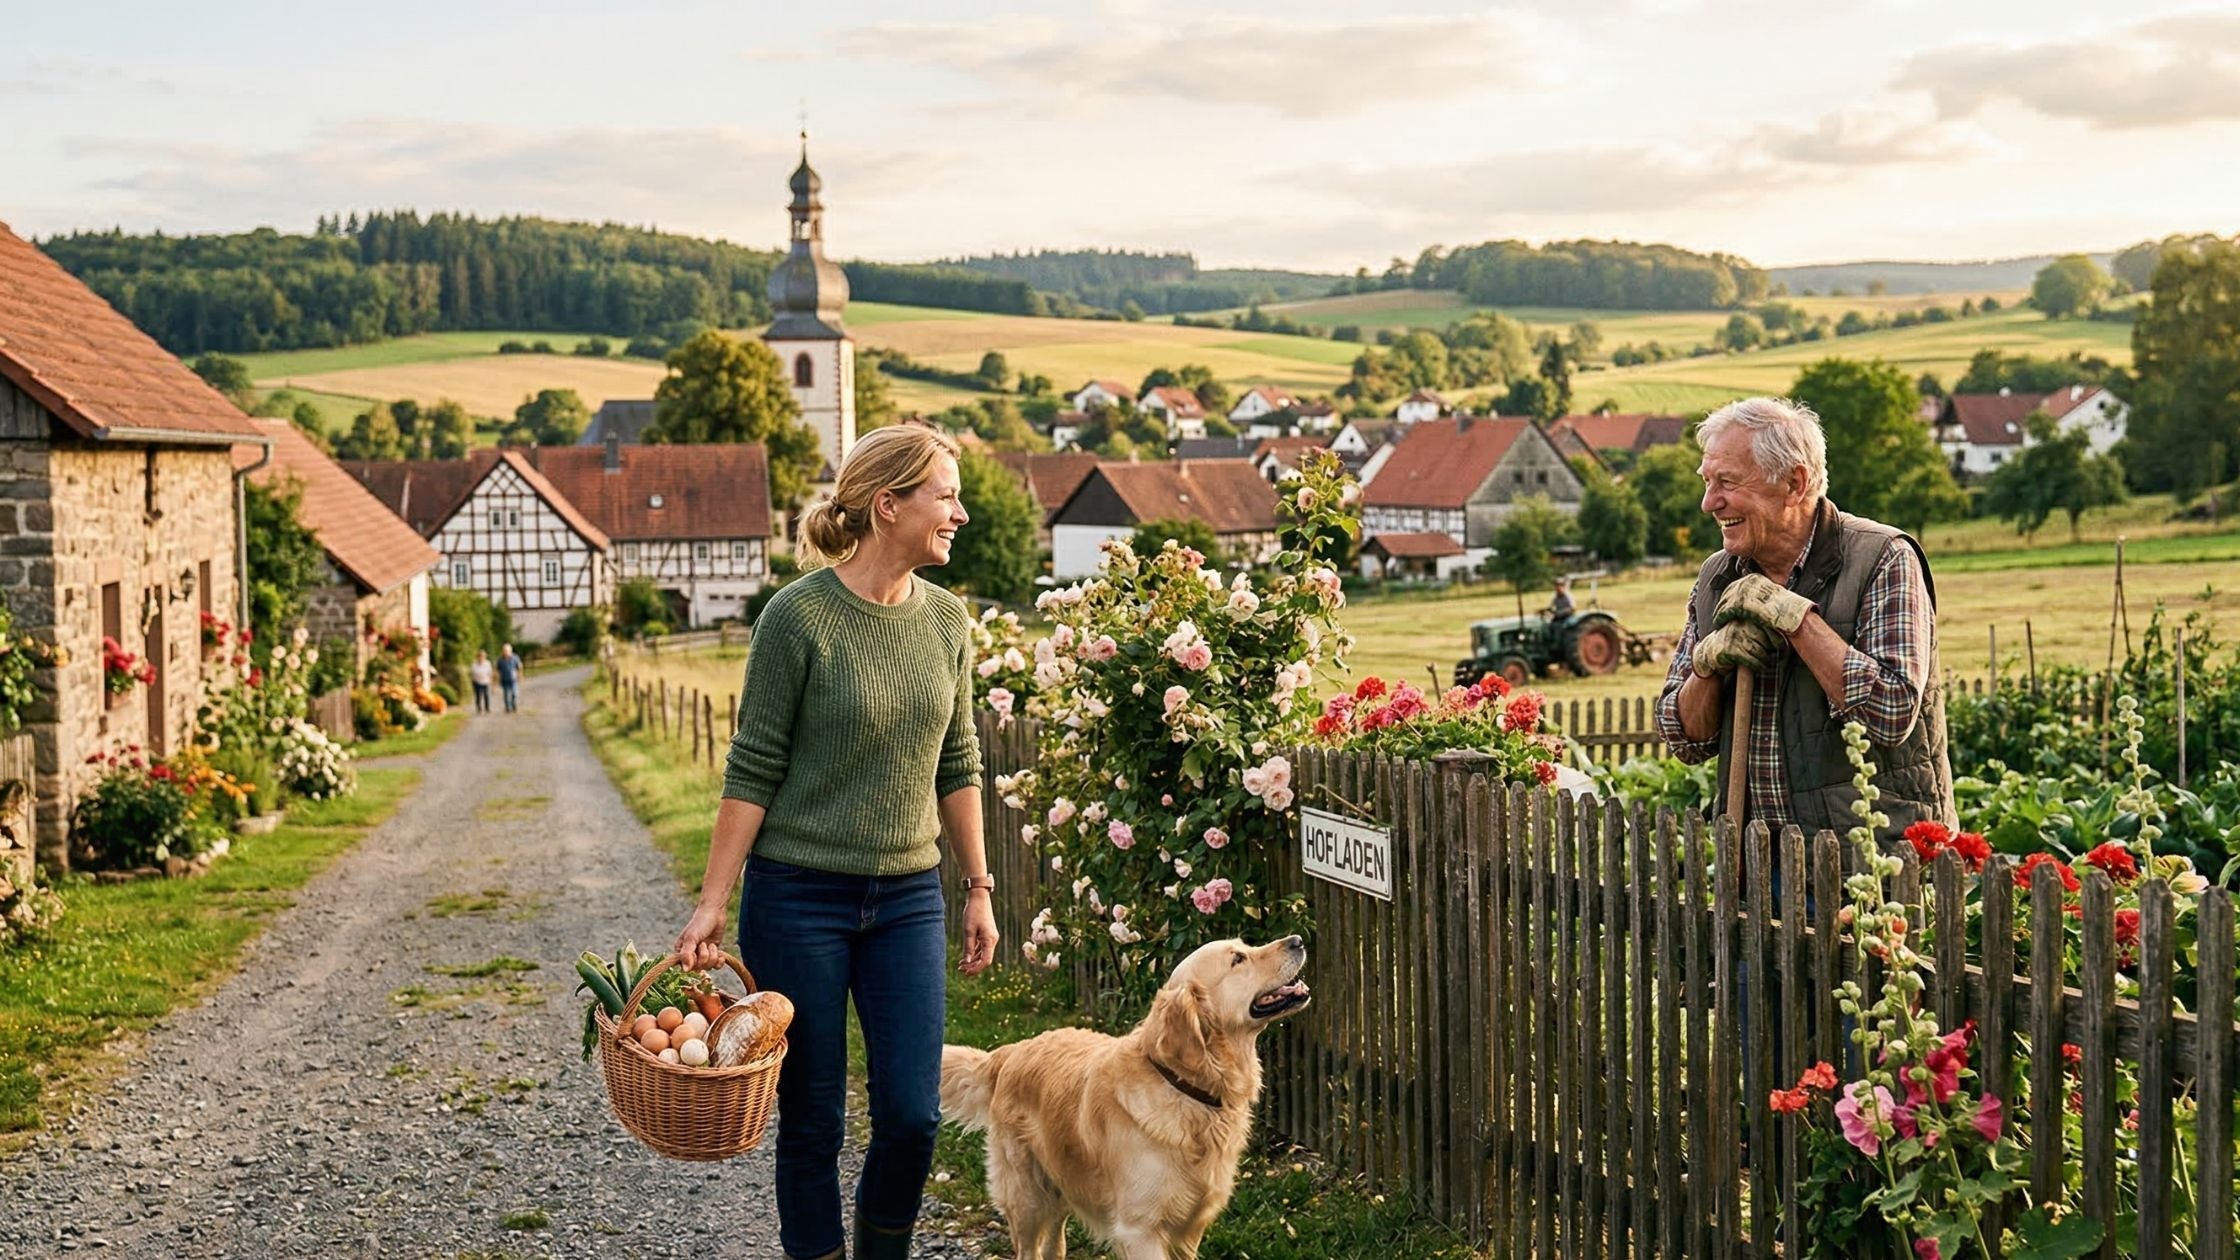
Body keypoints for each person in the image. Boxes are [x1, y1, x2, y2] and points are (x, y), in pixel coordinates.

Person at [675, 424, 998, 1260]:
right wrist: (715, 899)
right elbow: (753, 767)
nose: (960, 512)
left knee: (911, 1115)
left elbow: (958, 760)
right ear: (888, 506)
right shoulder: (797, 619)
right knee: (813, 1115)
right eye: (946, 495)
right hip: (798, 897)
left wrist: (979, 887)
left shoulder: (949, 624)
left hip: (907, 900)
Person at [1654, 396, 1954, 843]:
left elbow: (1892, 711)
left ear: (1794, 483)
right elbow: (1684, 738)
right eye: (1707, 481)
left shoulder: (1883, 559)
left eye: (1727, 482)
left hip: (1868, 865)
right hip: (1755, 865)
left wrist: (1794, 617)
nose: (1709, 503)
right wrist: (1706, 666)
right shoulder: (1719, 576)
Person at [494, 643, 520, 714]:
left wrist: (520, 677)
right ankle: (508, 708)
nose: (506, 652)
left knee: (514, 694)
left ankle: (514, 706)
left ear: (510, 651)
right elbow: (497, 670)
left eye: (507, 650)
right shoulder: (500, 660)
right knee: (506, 694)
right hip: (504, 680)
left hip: (513, 680)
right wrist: (497, 680)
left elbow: (519, 668)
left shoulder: (515, 658)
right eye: (504, 650)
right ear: (502, 651)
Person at [469, 650, 494, 714]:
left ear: (485, 657)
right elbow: (472, 674)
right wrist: (473, 681)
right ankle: (479, 708)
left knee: (486, 695)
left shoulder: (488, 663)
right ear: (477, 657)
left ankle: (487, 708)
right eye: (479, 656)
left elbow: (490, 673)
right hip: (477, 682)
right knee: (478, 696)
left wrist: (491, 682)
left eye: (482, 656)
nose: (481, 658)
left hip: (486, 682)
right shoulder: (474, 664)